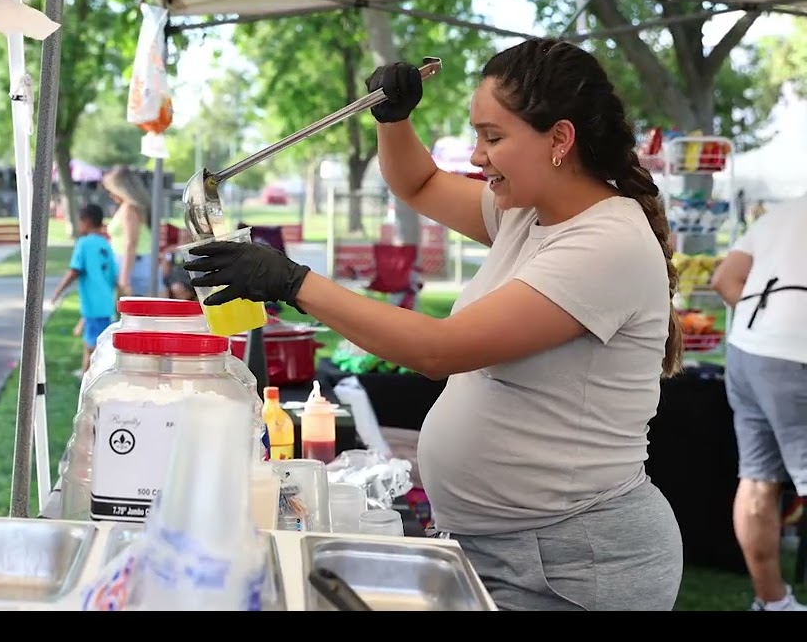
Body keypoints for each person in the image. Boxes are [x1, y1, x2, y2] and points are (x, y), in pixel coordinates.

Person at [184, 39, 685, 611]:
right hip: (511, 548)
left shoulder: (606, 242)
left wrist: (293, 283)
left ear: (560, 139)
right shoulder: (527, 213)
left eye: (493, 137)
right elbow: (418, 184)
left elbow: (439, 351)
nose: (477, 156)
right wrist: (394, 120)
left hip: (572, 563)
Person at [710, 191, 807, 611]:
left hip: (747, 350)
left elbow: (724, 279)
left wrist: (772, 325)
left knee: (757, 477)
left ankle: (772, 602)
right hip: (797, 355)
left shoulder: (783, 213)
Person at [51, 203, 118, 374]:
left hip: (93, 305)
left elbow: (74, 271)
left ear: (86, 221)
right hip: (106, 303)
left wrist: (58, 291)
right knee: (97, 341)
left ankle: (90, 377)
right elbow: (114, 275)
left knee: (93, 346)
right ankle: (86, 373)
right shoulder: (106, 245)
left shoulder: (84, 244)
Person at [101, 166, 155, 297]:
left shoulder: (129, 209)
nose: (110, 195)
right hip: (135, 263)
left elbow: (131, 243)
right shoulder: (131, 208)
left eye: (111, 190)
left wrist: (124, 279)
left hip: (132, 266)